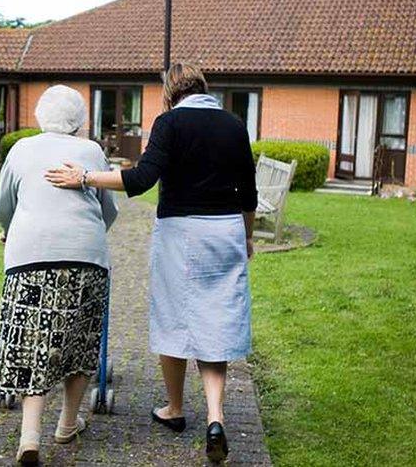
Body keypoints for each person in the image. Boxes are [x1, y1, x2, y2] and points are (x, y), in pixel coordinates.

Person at [45, 63, 257, 463]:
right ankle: (215, 417)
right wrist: (246, 236)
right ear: (203, 88)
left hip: (181, 233)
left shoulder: (169, 122)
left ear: (170, 91)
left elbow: (141, 179)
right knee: (214, 320)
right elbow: (249, 190)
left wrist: (86, 177)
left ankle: (175, 409)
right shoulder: (234, 124)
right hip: (226, 231)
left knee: (175, 316)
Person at [0, 85, 118, 465]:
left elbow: (4, 207)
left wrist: (8, 228)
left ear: (39, 117)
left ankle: (30, 437)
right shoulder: (92, 151)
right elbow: (108, 210)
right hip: (85, 259)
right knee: (79, 342)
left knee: (33, 343)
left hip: (29, 259)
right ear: (80, 122)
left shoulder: (20, 150)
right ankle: (65, 425)